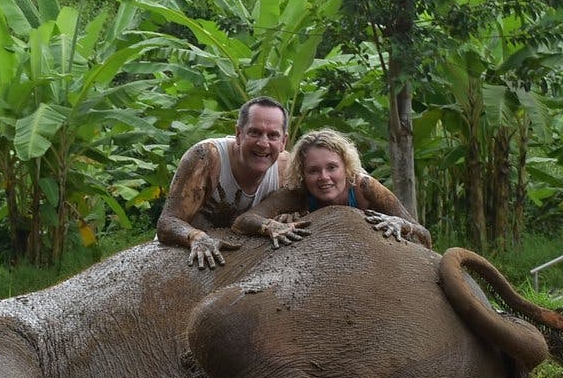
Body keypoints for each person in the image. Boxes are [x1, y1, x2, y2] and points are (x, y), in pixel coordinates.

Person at [233, 127, 432, 248]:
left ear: (346, 167)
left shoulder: (364, 187)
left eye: (332, 167)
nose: (324, 177)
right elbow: (242, 221)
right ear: (303, 174)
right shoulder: (298, 193)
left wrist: (401, 224)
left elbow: (423, 234)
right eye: (313, 171)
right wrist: (271, 226)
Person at [156, 96, 292, 268]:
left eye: (273, 135)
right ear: (238, 134)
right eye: (254, 132)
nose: (263, 143)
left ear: (283, 142)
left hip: (241, 262)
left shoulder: (286, 169)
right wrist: (195, 237)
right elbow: (167, 221)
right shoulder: (206, 157)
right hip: (185, 256)